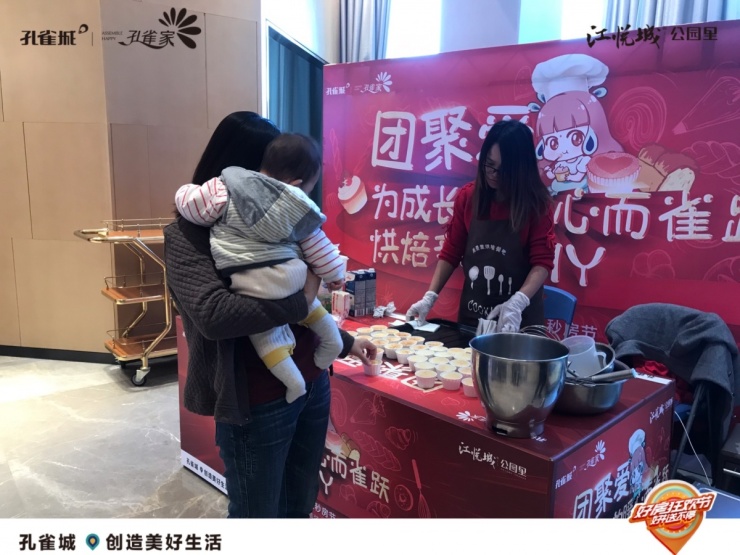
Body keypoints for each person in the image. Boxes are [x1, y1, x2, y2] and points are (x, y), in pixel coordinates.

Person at [163, 111, 376, 518]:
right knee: (258, 515)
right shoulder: (188, 235)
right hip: (256, 403)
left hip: (312, 383)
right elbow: (214, 315)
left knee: (300, 503)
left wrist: (346, 341)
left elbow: (301, 283)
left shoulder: (282, 216)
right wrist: (305, 294)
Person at [174, 133, 344, 404]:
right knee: (314, 311)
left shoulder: (224, 190)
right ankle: (332, 346)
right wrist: (334, 275)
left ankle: (294, 382)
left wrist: (184, 192)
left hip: (251, 281)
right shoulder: (297, 207)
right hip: (294, 278)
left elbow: (192, 206)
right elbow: (318, 246)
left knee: (267, 338)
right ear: (296, 184)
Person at [406, 119, 555, 332]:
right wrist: (430, 296)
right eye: (489, 165)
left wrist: (518, 302)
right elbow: (451, 252)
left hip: (519, 322)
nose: (493, 175)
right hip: (473, 317)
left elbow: (542, 263)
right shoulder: (468, 197)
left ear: (520, 170)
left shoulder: (537, 204)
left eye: (503, 170)